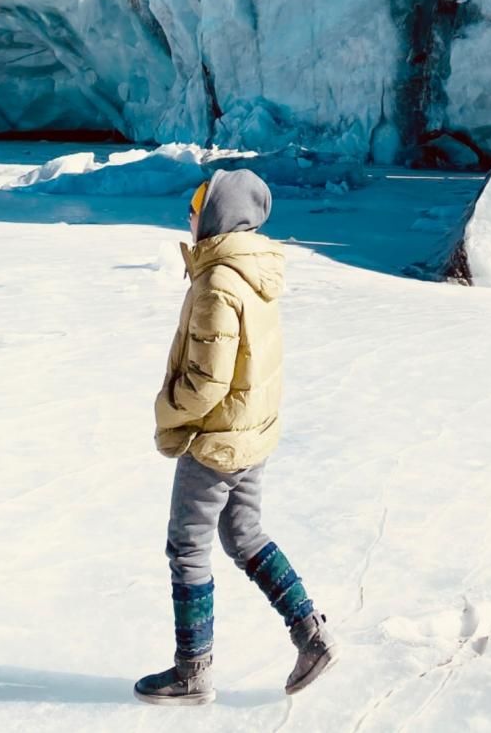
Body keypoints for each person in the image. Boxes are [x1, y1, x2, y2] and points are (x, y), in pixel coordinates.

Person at [134, 168, 339, 706]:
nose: (190, 212)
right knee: (244, 534)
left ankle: (191, 672)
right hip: (252, 433)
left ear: (220, 213)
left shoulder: (219, 281)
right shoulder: (255, 269)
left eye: (198, 202)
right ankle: (311, 634)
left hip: (217, 439)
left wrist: (166, 412)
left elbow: (207, 381)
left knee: (187, 547)